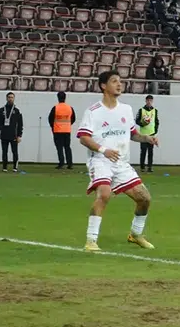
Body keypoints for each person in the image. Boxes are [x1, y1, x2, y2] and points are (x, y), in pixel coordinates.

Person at [77, 71, 160, 252]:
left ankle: (136, 235)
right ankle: (91, 240)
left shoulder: (126, 109)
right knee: (105, 194)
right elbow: (83, 137)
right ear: (103, 86)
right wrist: (103, 150)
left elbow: (132, 134)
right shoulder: (93, 112)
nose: (119, 84)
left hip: (121, 163)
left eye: (120, 81)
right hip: (100, 161)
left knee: (145, 199)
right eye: (114, 81)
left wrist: (147, 138)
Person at [0, 92, 24, 173]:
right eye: (9, 97)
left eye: (12, 97)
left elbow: (20, 124)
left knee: (15, 152)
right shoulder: (1, 110)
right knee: (4, 152)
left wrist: (19, 135)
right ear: (6, 98)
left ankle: (15, 167)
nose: (10, 99)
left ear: (14, 98)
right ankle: (4, 167)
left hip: (13, 135)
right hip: (4, 134)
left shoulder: (17, 111)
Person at [49, 91, 76, 170]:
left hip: (57, 130)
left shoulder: (55, 108)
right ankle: (70, 164)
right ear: (65, 98)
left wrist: (53, 126)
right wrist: (68, 125)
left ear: (58, 98)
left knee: (59, 147)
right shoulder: (69, 108)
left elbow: (50, 119)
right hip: (67, 130)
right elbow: (73, 118)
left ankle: (61, 163)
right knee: (67, 147)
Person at [136, 95, 159, 173]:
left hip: (151, 134)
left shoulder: (155, 111)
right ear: (145, 101)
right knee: (143, 151)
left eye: (150, 100)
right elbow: (137, 120)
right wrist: (143, 124)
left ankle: (150, 166)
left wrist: (155, 131)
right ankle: (142, 167)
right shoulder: (141, 110)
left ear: (152, 101)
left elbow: (156, 121)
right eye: (148, 100)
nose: (149, 102)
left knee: (150, 151)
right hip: (143, 135)